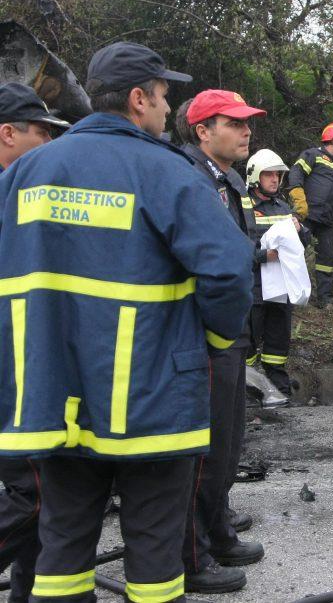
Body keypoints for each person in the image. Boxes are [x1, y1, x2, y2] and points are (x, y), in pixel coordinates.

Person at [0, 42, 253, 603]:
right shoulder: (163, 170)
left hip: (51, 401)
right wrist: (214, 338)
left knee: (60, 553)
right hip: (150, 402)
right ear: (139, 99)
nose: (168, 112)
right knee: (156, 558)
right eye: (164, 99)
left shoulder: (27, 172)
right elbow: (230, 267)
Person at [179, 89, 268, 593]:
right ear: (202, 130)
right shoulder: (191, 179)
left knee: (229, 440)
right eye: (233, 123)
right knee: (206, 443)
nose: (246, 130)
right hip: (207, 332)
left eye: (246, 122)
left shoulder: (227, 178)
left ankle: (217, 528)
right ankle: (193, 550)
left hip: (231, 330)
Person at [0, 82, 69, 603]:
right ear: (8, 133)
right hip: (13, 381)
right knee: (35, 496)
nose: (50, 145)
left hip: (22, 371)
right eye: (42, 133)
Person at [245, 148, 311, 397]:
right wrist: (264, 256)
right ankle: (248, 393)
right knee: (248, 346)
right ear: (255, 177)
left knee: (277, 344)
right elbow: (236, 246)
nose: (275, 179)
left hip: (280, 290)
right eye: (269, 174)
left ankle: (279, 392)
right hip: (254, 289)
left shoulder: (283, 207)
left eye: (278, 175)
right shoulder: (244, 208)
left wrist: (300, 229)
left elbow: (300, 245)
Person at [288, 122, 333, 306]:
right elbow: (296, 173)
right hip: (306, 216)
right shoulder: (312, 155)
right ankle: (292, 297)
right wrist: (298, 198)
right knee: (294, 254)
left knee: (326, 260)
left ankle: (325, 300)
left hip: (327, 221)